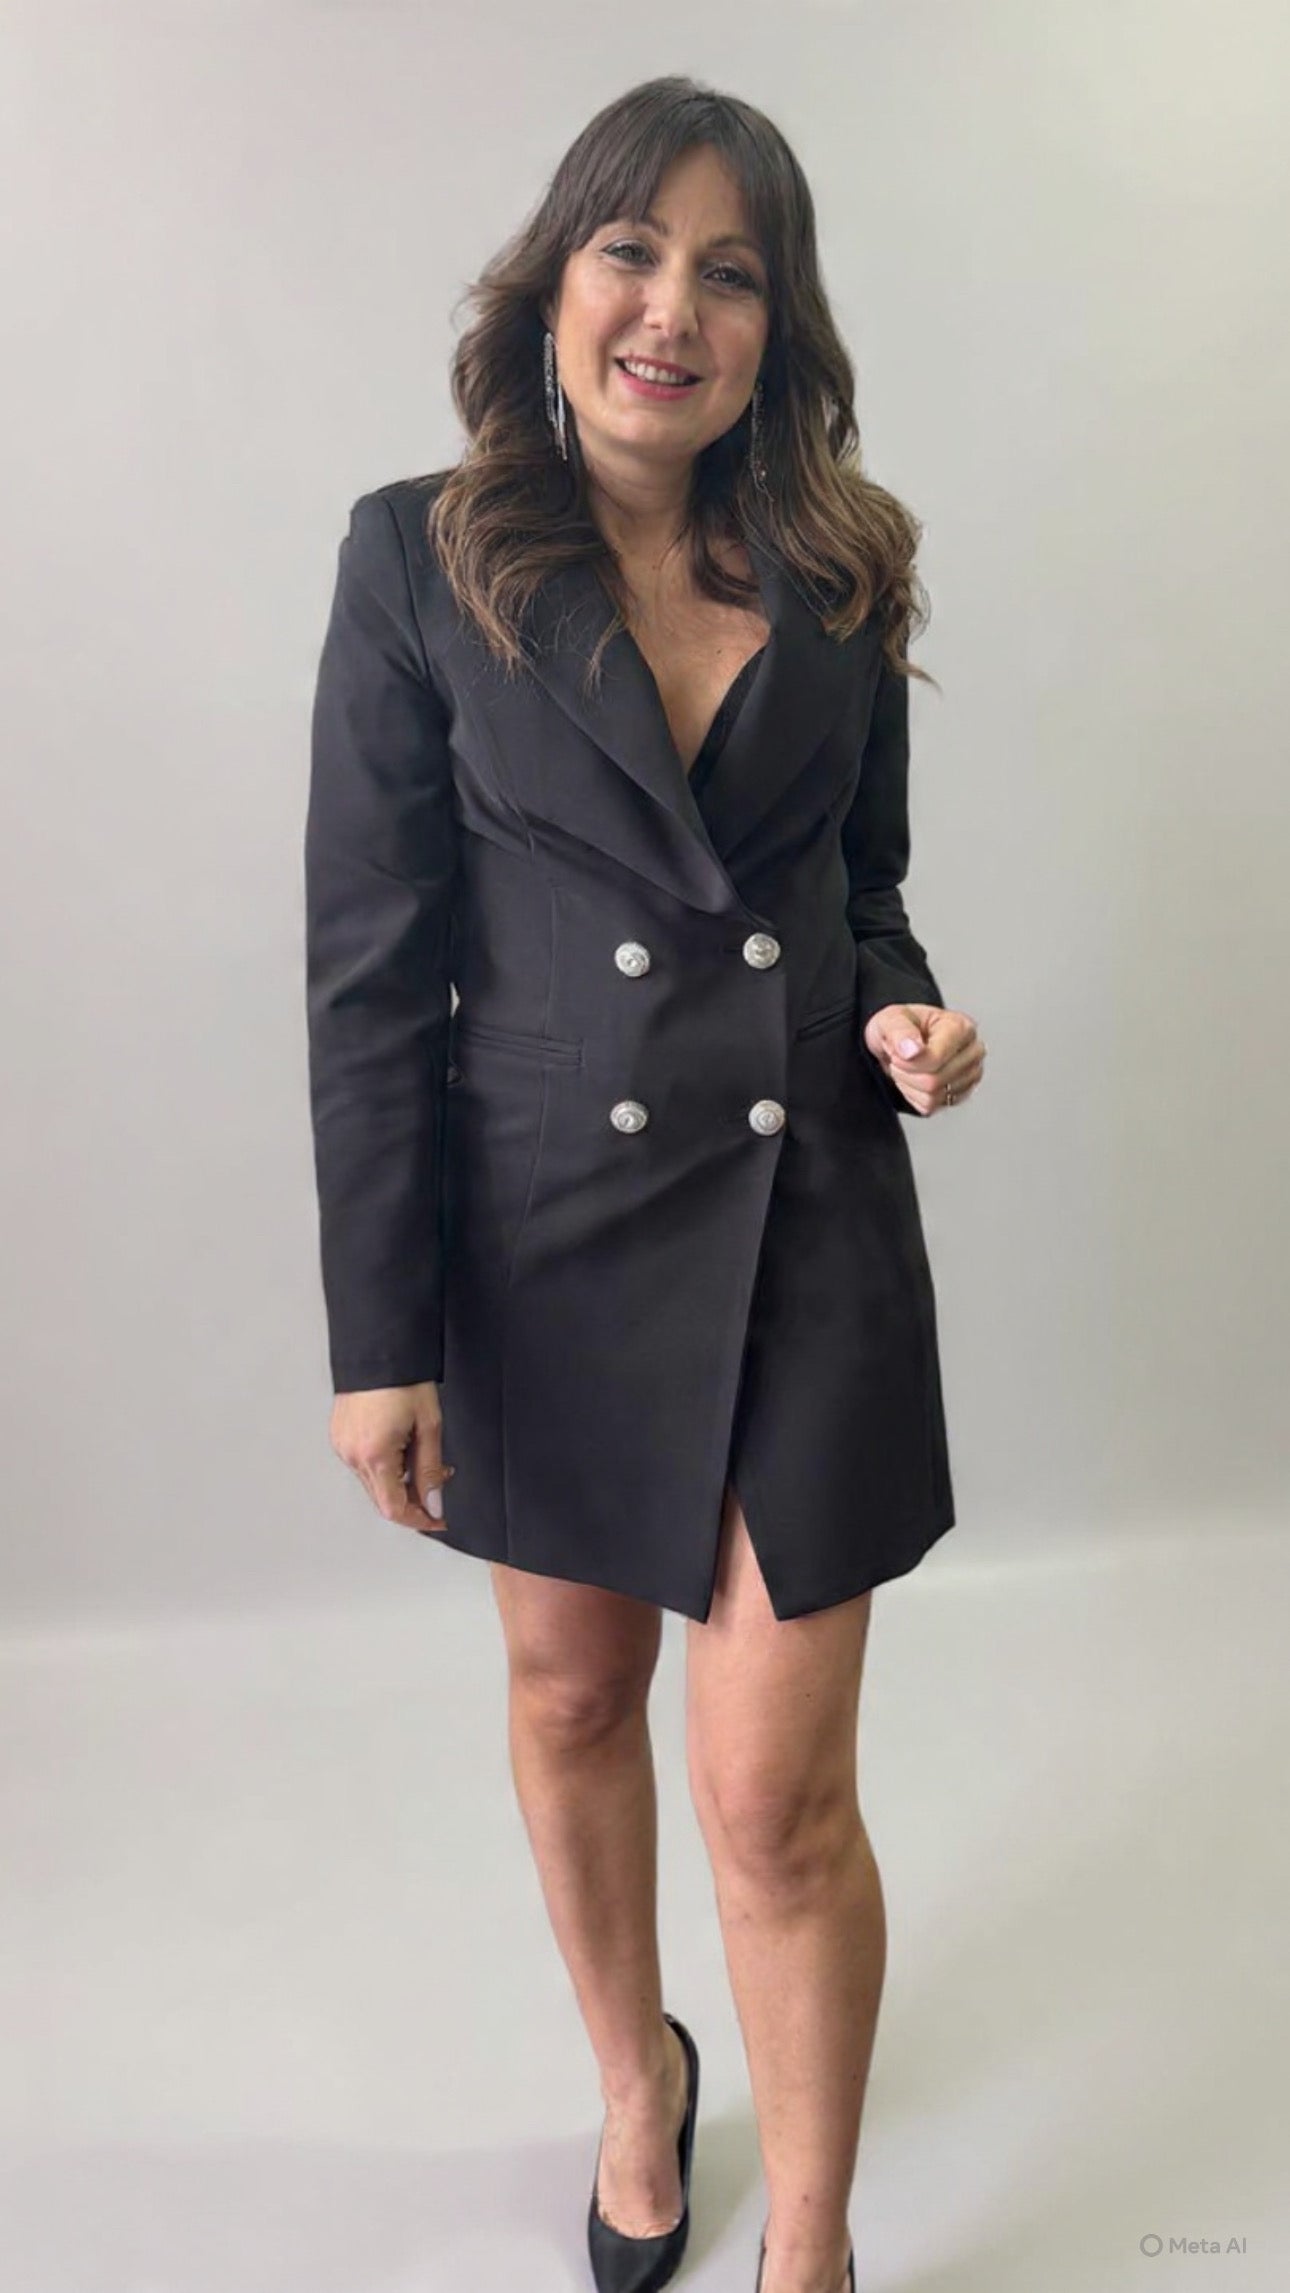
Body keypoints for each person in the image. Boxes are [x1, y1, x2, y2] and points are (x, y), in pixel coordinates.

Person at [304, 74, 986, 2293]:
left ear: (776, 331)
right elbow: (369, 975)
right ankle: (634, 2076)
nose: (670, 308)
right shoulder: (420, 558)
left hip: (807, 1227)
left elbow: (863, 895)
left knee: (776, 1797)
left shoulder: (844, 571)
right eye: (632, 251)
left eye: (729, 272)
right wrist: (380, 1339)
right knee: (577, 1699)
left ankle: (814, 2238)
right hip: (542, 1232)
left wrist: (909, 1012)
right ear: (555, 282)